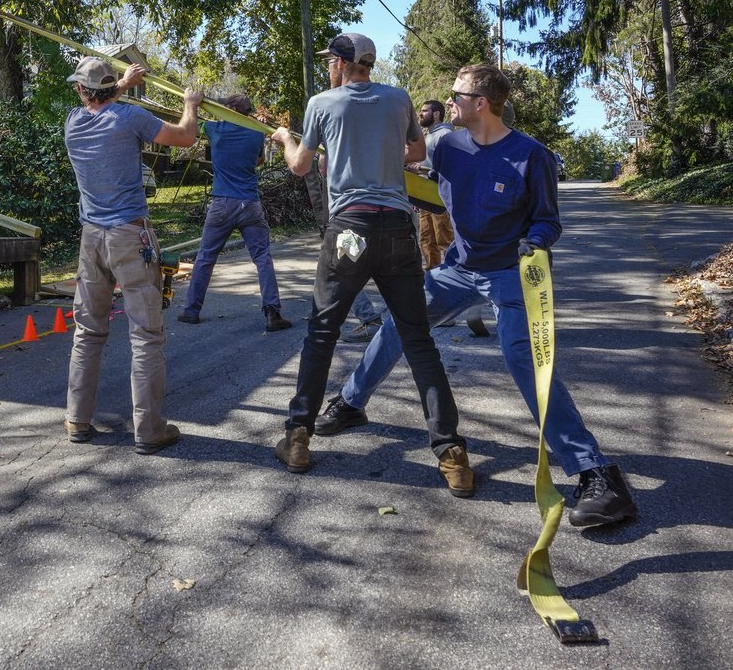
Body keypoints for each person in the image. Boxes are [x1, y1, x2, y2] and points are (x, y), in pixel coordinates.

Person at [315, 64, 637, 527]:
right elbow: (416, 181)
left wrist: (537, 240)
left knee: (526, 360)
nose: (449, 102)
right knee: (399, 322)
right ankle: (349, 402)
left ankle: (596, 473)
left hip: (511, 274)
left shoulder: (532, 156)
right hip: (458, 270)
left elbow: (549, 220)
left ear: (481, 103)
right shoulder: (446, 144)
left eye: (456, 95)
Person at [269, 33, 473, 495]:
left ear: (342, 64)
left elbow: (301, 166)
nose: (327, 68)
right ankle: (452, 454)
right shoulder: (400, 100)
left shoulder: (322, 103)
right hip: (397, 227)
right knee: (418, 339)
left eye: (330, 61)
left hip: (349, 230)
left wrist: (285, 138)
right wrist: (380, 154)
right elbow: (416, 153)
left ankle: (298, 437)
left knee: (322, 332)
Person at [63, 58, 202, 454]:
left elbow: (100, 103)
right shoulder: (130, 118)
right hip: (130, 235)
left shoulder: (74, 123)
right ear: (112, 89)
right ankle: (149, 429)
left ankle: (77, 419)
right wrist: (190, 102)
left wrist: (120, 83)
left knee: (87, 331)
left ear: (81, 91)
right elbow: (185, 136)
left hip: (91, 241)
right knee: (145, 334)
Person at [178, 93, 292, 332]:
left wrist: (192, 103)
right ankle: (272, 312)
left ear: (228, 109)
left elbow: (188, 127)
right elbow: (259, 160)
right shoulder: (256, 132)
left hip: (222, 204)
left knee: (206, 257)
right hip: (250, 203)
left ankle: (191, 311)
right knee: (262, 258)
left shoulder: (213, 128)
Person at [408, 99, 455, 269]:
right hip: (425, 198)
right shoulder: (428, 136)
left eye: (424, 111)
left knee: (445, 240)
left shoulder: (444, 135)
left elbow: (448, 168)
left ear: (436, 114)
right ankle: (433, 276)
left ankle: (456, 274)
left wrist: (420, 169)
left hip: (440, 198)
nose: (420, 114)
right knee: (427, 241)